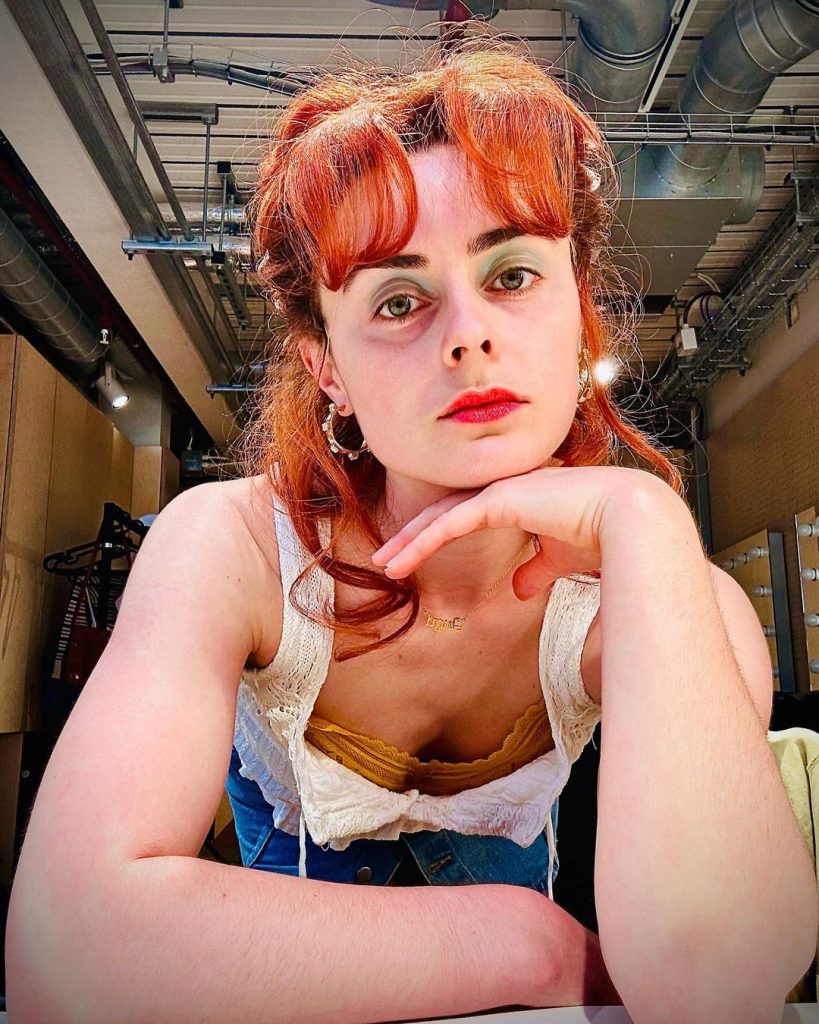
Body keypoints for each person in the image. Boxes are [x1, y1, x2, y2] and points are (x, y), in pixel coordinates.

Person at [7, 34, 817, 1024]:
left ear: (578, 316)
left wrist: (645, 518)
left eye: (512, 276)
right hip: (290, 894)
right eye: (398, 299)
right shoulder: (230, 547)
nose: (468, 335)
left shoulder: (663, 594)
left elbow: (719, 988)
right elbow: (64, 957)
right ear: (330, 368)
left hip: (495, 877)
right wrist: (527, 941)